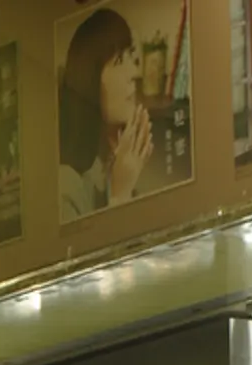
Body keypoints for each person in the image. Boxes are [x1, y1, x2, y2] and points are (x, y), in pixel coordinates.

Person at [58, 8, 153, 219]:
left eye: (131, 57)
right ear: (90, 80)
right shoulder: (67, 187)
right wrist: (120, 195)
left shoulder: (115, 164)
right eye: (119, 61)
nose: (134, 72)